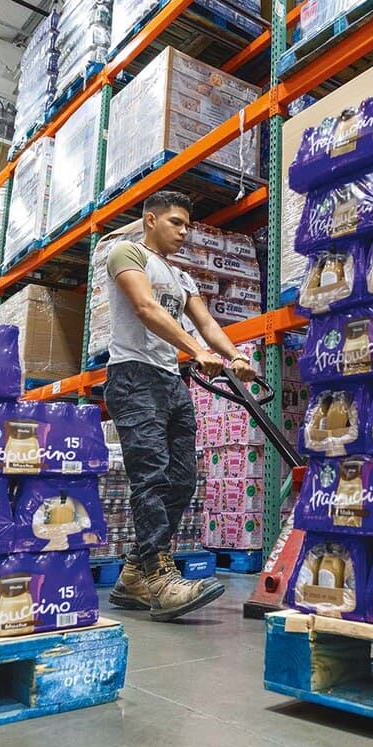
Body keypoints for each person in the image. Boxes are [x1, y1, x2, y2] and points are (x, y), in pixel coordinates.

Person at [104, 190, 258, 621]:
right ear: (150, 220)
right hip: (134, 376)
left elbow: (207, 323)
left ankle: (134, 571)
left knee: (182, 479)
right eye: (176, 222)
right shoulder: (126, 253)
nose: (184, 231)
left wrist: (236, 357)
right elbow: (146, 308)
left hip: (171, 382)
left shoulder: (181, 277)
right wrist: (194, 350)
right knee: (150, 475)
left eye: (188, 225)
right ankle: (157, 573)